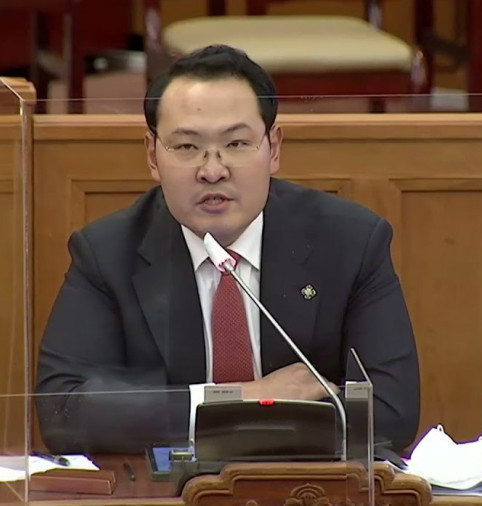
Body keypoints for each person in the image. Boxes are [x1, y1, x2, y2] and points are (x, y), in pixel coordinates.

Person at [35, 44, 420, 458]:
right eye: (187, 147)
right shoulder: (107, 252)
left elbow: (392, 413)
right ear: (152, 156)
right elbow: (62, 411)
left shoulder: (350, 242)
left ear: (273, 149)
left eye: (236, 144)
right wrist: (246, 397)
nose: (213, 170)